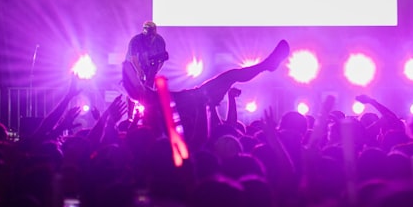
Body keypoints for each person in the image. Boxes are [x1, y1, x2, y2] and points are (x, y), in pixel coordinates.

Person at [123, 39, 291, 150]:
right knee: (231, 76)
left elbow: (135, 75)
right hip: (196, 99)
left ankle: (267, 65)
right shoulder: (149, 102)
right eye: (136, 80)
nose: (138, 78)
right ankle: (267, 65)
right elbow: (129, 71)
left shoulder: (149, 96)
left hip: (193, 97)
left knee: (231, 76)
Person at [124, 21, 169, 89]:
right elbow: (133, 58)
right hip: (133, 65)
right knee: (134, 86)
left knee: (148, 86)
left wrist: (155, 71)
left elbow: (161, 60)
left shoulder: (159, 41)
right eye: (148, 37)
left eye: (152, 37)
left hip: (149, 65)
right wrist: (138, 70)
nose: (150, 39)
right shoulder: (135, 40)